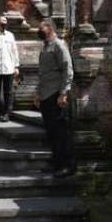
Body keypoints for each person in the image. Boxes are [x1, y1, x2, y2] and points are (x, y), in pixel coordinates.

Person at [34, 19, 75, 178]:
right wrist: (37, 93)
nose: (39, 29)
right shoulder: (45, 46)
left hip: (55, 95)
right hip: (45, 94)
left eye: (41, 26)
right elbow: (43, 73)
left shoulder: (59, 45)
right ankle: (56, 162)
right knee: (51, 132)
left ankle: (67, 165)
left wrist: (64, 92)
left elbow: (67, 69)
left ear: (50, 28)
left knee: (60, 133)